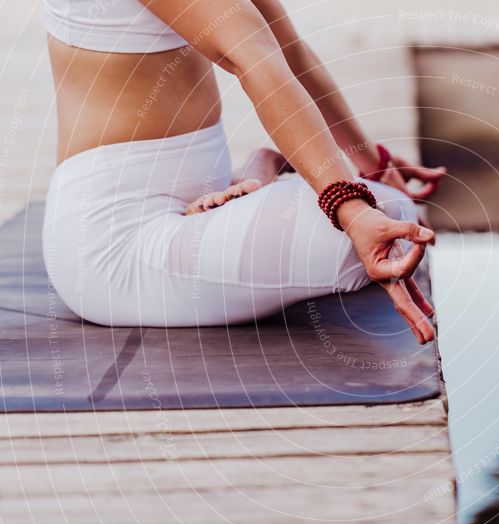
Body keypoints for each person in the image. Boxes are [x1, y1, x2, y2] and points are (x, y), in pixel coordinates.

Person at [42, 0, 446, 344]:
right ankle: (265, 175)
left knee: (384, 209)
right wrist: (353, 206)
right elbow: (250, 54)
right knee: (386, 221)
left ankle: (261, 171)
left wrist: (371, 165)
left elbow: (287, 52)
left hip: (191, 207)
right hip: (116, 246)